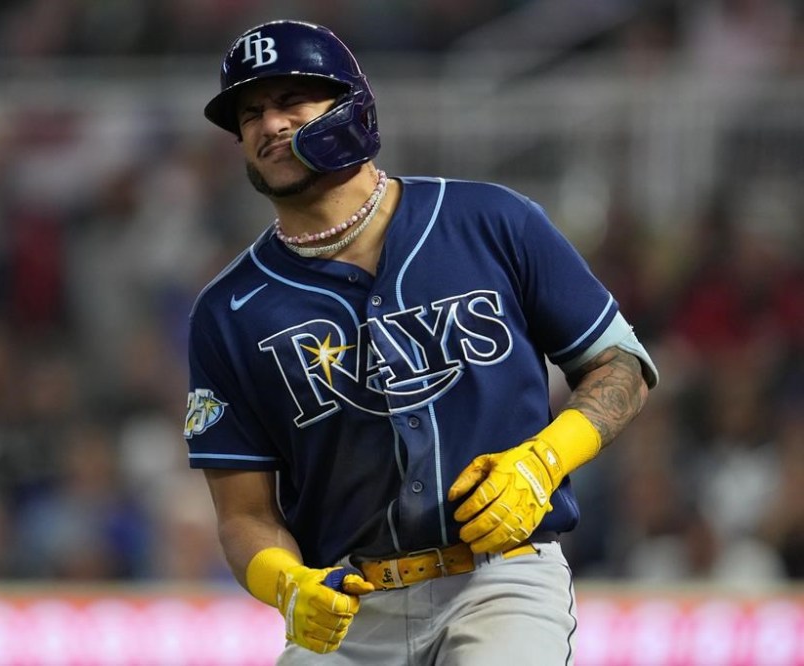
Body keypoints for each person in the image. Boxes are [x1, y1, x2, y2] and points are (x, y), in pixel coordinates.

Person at [184, 19, 658, 664]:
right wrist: (287, 584)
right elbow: (244, 514)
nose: (269, 125)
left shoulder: (491, 220)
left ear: (353, 107)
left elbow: (620, 365)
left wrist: (546, 460)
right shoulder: (229, 309)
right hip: (351, 602)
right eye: (250, 114)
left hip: (501, 579)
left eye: (291, 100)